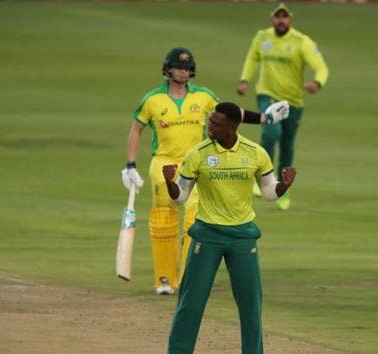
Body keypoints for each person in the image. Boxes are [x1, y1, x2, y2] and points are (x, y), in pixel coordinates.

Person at [122, 48, 289, 295]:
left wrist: (265, 118)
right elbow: (136, 129)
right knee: (164, 219)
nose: (182, 72)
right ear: (167, 70)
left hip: (198, 161)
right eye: (178, 67)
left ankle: (187, 276)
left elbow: (233, 114)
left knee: (194, 220)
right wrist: (130, 165)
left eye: (187, 68)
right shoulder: (152, 100)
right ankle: (164, 279)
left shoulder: (204, 96)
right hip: (164, 162)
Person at [162, 101, 296, 354]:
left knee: (250, 306)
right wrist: (170, 182)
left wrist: (285, 185)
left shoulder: (255, 152)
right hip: (207, 235)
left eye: (215, 124)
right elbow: (179, 198)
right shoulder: (197, 154)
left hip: (242, 237)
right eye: (210, 121)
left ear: (232, 127)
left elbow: (268, 192)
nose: (209, 126)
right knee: (190, 304)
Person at [236, 2, 328, 211]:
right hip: (267, 95)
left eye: (285, 17)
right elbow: (252, 58)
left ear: (291, 20)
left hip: (293, 101)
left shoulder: (301, 41)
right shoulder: (262, 37)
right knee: (270, 132)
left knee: (287, 146)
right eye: (278, 17)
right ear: (272, 19)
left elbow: (320, 66)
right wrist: (245, 80)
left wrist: (318, 82)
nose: (281, 20)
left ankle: (284, 189)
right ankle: (261, 179)